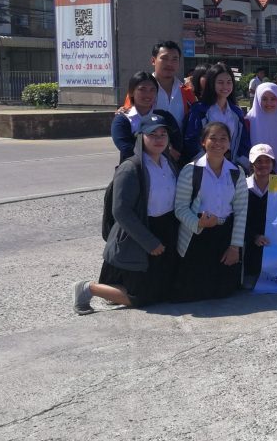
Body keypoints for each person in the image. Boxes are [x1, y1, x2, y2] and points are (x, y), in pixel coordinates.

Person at [74, 113, 179, 315]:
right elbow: (121, 211)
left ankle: (113, 292)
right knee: (141, 297)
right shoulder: (131, 168)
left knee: (163, 291)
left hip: (166, 229)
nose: (159, 139)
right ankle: (88, 289)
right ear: (141, 136)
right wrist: (149, 242)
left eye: (163, 134)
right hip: (140, 234)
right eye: (152, 134)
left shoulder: (168, 163)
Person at [174, 121, 248, 301]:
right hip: (197, 235)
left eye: (223, 139)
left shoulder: (237, 172)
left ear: (229, 143)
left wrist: (235, 247)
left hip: (224, 235)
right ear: (203, 142)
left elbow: (241, 211)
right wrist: (198, 223)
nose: (218, 143)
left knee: (223, 292)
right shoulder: (190, 170)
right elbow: (180, 208)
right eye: (212, 138)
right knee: (194, 292)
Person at [183, 63, 251, 169]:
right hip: (205, 167)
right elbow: (191, 140)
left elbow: (244, 142)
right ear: (211, 83)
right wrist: (205, 165)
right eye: (220, 82)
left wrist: (238, 165)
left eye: (229, 82)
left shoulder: (236, 112)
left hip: (231, 167)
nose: (225, 86)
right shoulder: (199, 110)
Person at [111, 71, 181, 164]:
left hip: (164, 168)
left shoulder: (165, 116)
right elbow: (126, 148)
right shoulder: (123, 119)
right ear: (131, 92)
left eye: (152, 90)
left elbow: (177, 144)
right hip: (136, 169)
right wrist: (162, 153)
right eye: (142, 89)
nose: (148, 94)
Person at [124, 41, 197, 130]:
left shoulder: (187, 92)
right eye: (164, 58)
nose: (169, 63)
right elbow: (127, 116)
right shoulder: (140, 90)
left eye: (174, 59)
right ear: (153, 61)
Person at [243, 143, 276, 289]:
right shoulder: (242, 186)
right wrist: (254, 236)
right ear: (252, 164)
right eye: (259, 161)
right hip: (249, 241)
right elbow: (239, 218)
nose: (263, 165)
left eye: (267, 160)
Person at [246, 82, 277, 174]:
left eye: (273, 99)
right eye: (264, 99)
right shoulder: (249, 120)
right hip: (258, 169)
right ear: (258, 99)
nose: (269, 103)